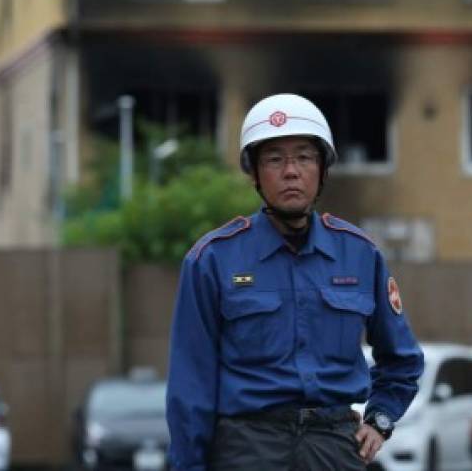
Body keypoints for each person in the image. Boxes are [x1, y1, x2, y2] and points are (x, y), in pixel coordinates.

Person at [166, 93, 424, 471]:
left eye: (304, 157)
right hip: (247, 447)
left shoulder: (360, 254)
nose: (291, 171)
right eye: (274, 159)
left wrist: (380, 419)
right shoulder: (212, 260)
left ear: (322, 169)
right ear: (254, 173)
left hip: (334, 446)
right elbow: (191, 383)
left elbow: (402, 358)